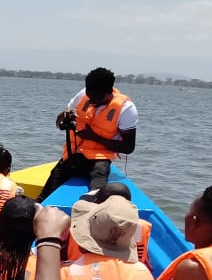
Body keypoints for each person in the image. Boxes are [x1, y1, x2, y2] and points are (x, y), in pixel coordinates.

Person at [37, 67, 137, 202]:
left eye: (94, 98)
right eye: (88, 96)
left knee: (99, 175)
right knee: (47, 191)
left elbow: (128, 147)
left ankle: (93, 201)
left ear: (108, 93)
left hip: (99, 159)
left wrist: (93, 137)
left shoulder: (126, 109)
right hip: (73, 156)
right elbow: (60, 122)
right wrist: (63, 119)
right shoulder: (84, 94)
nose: (89, 101)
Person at [64, 182, 152, 268]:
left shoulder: (77, 225)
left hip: (83, 270)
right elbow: (146, 263)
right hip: (127, 272)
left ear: (97, 203)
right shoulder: (140, 227)